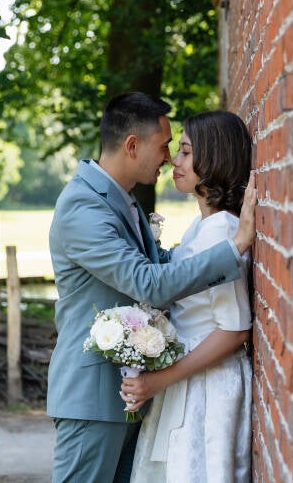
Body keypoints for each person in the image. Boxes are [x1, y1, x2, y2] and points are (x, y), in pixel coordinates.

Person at [47, 93, 257, 483]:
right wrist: (235, 246)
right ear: (132, 145)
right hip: (93, 396)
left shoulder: (120, 201)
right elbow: (148, 283)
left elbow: (161, 266)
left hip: (132, 393)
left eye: (178, 149)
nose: (167, 157)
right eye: (164, 146)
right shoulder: (84, 208)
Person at [120, 110, 253, 482]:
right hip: (187, 377)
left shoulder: (220, 231)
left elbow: (235, 331)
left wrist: (158, 381)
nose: (173, 161)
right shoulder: (201, 226)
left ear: (213, 158)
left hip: (208, 387)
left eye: (185, 152)